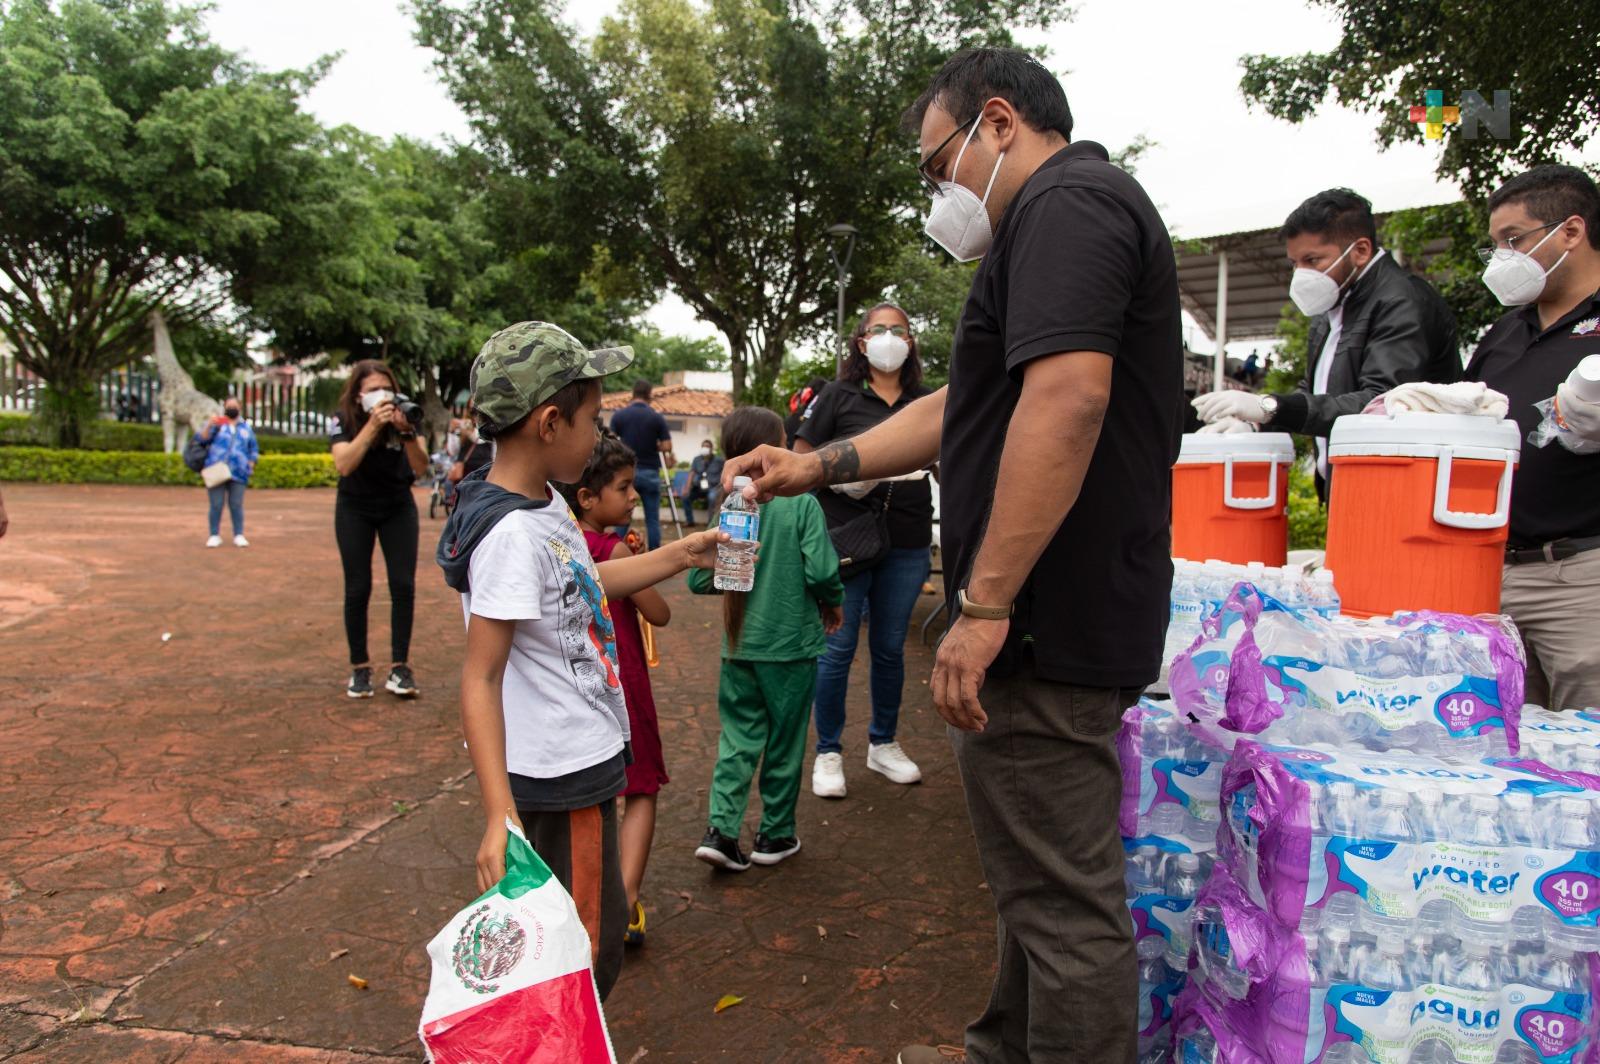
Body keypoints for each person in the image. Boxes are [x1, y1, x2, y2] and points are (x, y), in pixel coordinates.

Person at [724, 47, 1183, 1063]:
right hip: (1051, 617)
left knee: (1063, 910)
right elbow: (961, 407)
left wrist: (984, 604)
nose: (940, 193)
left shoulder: (1068, 205)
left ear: (999, 121)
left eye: (940, 166)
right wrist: (819, 462)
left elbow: (1068, 399)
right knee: (1035, 879)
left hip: (1041, 623)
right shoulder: (1048, 226)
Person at [436, 321, 724, 1001]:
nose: (600, 433)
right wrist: (499, 819)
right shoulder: (510, 534)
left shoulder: (545, 505)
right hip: (560, 775)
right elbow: (479, 678)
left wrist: (686, 552)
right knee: (582, 954)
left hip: (582, 758)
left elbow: (587, 585)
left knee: (578, 942)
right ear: (549, 423)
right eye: (593, 417)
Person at [1191, 188, 1460, 494]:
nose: (1301, 274)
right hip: (1350, 486)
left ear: (1360, 250)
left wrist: (1270, 406)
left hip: (1399, 487)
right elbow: (1316, 391)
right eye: (1294, 263)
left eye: (1312, 260)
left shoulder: (1402, 303)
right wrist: (1255, 423)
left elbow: (1381, 403)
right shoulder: (1332, 307)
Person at [1464, 164, 1600, 711]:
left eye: (1513, 240)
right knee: (1514, 759)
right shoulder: (1505, 331)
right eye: (1496, 245)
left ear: (1571, 231)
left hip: (1581, 579)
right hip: (1494, 574)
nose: (1503, 258)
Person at [689, 407, 844, 871]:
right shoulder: (801, 504)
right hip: (791, 647)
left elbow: (700, 580)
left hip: (738, 649)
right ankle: (774, 836)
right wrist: (833, 602)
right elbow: (821, 570)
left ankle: (721, 831)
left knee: (738, 741)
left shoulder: (732, 507)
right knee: (786, 741)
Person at [794, 302, 935, 798]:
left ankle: (884, 743)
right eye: (879, 330)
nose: (890, 337)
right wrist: (844, 478)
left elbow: (952, 462)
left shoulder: (927, 400)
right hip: (845, 540)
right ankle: (828, 751)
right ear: (860, 342)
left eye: (900, 329)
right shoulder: (838, 395)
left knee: (891, 650)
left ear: (911, 341)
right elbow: (801, 460)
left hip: (910, 540)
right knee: (835, 649)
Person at [555, 428, 672, 948]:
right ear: (587, 496)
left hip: (575, 687)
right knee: (641, 790)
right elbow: (659, 612)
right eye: (623, 488)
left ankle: (584, 905)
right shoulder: (616, 553)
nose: (632, 497)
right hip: (622, 686)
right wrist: (636, 562)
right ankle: (624, 902)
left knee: (589, 798)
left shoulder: (560, 544)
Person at [329, 360, 428, 700]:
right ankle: (360, 667)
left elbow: (420, 467)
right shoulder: (344, 419)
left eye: (386, 389)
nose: (382, 397)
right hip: (354, 506)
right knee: (358, 588)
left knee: (403, 585)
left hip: (397, 505)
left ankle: (400, 666)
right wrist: (372, 426)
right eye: (373, 391)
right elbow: (343, 464)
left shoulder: (407, 414)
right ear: (359, 395)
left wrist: (406, 431)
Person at [608, 380, 674, 550]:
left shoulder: (620, 415)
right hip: (650, 472)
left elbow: (610, 441)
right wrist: (654, 445)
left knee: (622, 516)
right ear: (649, 394)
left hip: (627, 474)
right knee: (652, 519)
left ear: (633, 393)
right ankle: (655, 555)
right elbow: (667, 446)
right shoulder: (656, 417)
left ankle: (617, 552)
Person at [197, 397, 259, 548]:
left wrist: (250, 463)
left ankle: (238, 534)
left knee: (236, 504)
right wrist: (209, 425)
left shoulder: (245, 427)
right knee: (216, 504)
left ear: (240, 408)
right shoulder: (217, 425)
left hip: (238, 471)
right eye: (229, 406)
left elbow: (253, 448)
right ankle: (214, 534)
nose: (231, 409)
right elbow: (201, 440)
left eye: (234, 406)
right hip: (216, 470)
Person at [683, 439, 725, 527]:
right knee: (686, 497)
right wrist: (687, 487)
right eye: (703, 446)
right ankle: (689, 521)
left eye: (707, 447)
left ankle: (710, 524)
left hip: (713, 487)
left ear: (711, 448)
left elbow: (725, 472)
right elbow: (692, 473)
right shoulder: (696, 459)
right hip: (698, 487)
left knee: (712, 497)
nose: (705, 448)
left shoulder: (719, 460)